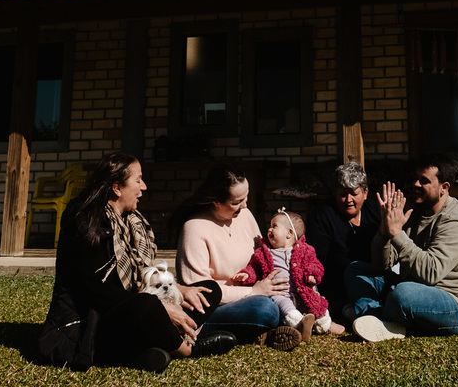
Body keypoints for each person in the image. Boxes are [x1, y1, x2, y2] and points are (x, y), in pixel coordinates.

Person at [38, 152, 237, 373]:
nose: (144, 187)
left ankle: (153, 345)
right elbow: (94, 291)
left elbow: (141, 276)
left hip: (132, 308)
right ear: (117, 187)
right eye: (138, 180)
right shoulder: (85, 220)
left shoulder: (130, 222)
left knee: (208, 291)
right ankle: (187, 348)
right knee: (147, 305)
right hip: (92, 324)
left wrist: (179, 290)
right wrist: (162, 309)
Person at [345, 154, 458, 341]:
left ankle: (373, 315)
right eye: (415, 179)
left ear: (444, 188)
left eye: (424, 181)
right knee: (356, 269)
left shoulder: (457, 220)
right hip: (416, 287)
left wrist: (397, 233)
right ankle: (381, 319)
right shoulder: (416, 213)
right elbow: (382, 265)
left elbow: (430, 273)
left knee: (403, 294)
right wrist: (385, 231)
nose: (416, 185)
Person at [173, 165, 293, 347]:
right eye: (237, 202)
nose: (244, 205)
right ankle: (206, 331)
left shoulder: (245, 215)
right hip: (216, 307)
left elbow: (261, 256)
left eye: (246, 198)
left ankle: (269, 328)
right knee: (266, 310)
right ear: (216, 202)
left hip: (258, 293)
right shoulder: (195, 227)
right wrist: (252, 292)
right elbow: (200, 293)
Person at [236, 209, 346, 339]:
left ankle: (325, 324)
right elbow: (254, 267)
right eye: (270, 227)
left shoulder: (305, 251)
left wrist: (312, 275)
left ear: (289, 233)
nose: (269, 230)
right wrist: (247, 275)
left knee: (316, 304)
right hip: (279, 293)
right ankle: (299, 325)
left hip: (301, 291)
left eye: (274, 226)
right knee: (286, 307)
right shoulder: (264, 252)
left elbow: (315, 265)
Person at [306, 161, 380, 320]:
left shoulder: (376, 211)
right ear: (335, 193)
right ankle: (355, 311)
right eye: (342, 194)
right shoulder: (323, 216)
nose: (348, 200)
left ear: (365, 193)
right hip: (338, 284)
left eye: (354, 193)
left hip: (373, 279)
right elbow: (317, 260)